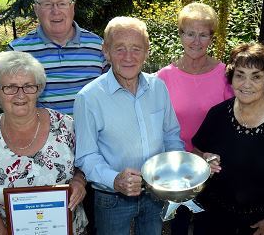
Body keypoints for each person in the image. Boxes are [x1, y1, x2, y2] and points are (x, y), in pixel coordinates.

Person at [73, 16, 184, 235]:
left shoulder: (158, 88)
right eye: (120, 49)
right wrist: (114, 180)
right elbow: (86, 156)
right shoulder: (89, 97)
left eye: (136, 48)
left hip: (155, 194)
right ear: (106, 51)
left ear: (147, 51)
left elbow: (171, 135)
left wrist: (175, 170)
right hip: (112, 199)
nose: (128, 57)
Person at [0, 51, 87, 235]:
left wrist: (79, 181)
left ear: (39, 89)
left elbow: (85, 165)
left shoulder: (65, 126)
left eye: (28, 86)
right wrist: (0, 232)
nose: (20, 95)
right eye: (10, 87)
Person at [192, 43, 264, 235]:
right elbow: (197, 152)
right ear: (231, 79)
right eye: (240, 75)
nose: (246, 84)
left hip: (257, 223)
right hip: (213, 215)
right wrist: (205, 159)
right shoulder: (217, 115)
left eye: (256, 77)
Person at [156, 2, 234, 234]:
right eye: (190, 33)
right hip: (177, 170)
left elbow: (234, 120)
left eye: (203, 35)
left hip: (215, 167)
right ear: (180, 34)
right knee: (178, 227)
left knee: (208, 228)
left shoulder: (225, 74)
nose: (196, 41)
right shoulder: (163, 77)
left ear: (212, 38)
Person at [8, 0, 106, 117]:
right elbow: (10, 101)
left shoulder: (99, 47)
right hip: (44, 136)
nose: (56, 11)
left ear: (72, 7)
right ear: (36, 9)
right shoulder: (17, 52)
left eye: (62, 4)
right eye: (47, 5)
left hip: (92, 135)